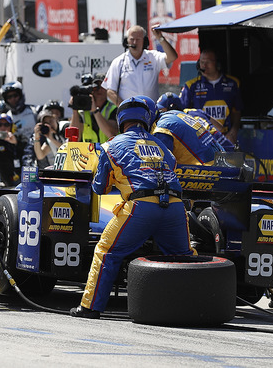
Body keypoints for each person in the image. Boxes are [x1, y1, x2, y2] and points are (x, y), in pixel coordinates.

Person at [70, 96, 194, 319]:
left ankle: (90, 307)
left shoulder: (111, 145)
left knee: (106, 252)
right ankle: (194, 308)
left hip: (140, 207)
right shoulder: (162, 146)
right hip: (175, 206)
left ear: (121, 120)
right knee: (185, 259)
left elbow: (100, 188)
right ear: (147, 120)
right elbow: (172, 167)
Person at [180, 49, 243, 144]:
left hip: (226, 138)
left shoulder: (233, 83)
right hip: (202, 139)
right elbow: (182, 113)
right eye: (202, 62)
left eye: (208, 62)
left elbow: (237, 111)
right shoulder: (190, 86)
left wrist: (233, 131)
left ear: (217, 64)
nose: (204, 66)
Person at [104, 25, 178, 105]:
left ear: (145, 41)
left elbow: (172, 57)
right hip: (129, 113)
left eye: (138, 39)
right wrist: (124, 107)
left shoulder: (153, 57)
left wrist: (160, 37)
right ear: (126, 41)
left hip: (151, 111)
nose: (135, 43)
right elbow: (110, 91)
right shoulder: (118, 62)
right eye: (132, 39)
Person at [152, 101, 225, 166]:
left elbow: (162, 167)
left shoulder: (161, 129)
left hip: (208, 170)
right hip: (223, 158)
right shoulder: (178, 113)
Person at [69, 73, 118, 144]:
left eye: (103, 86)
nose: (99, 90)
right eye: (96, 86)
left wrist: (95, 111)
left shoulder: (113, 109)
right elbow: (74, 137)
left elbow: (111, 134)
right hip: (88, 154)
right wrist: (75, 109)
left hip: (108, 152)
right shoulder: (82, 111)